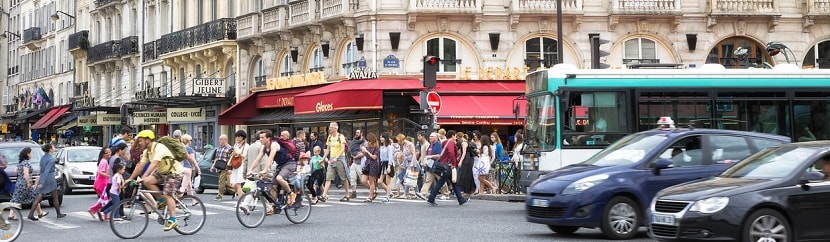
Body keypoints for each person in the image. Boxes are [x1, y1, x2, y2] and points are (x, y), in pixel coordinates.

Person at [127, 130, 184, 231]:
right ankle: (161, 201)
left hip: (174, 172)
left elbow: (154, 163)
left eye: (140, 141)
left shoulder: (159, 148)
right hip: (162, 171)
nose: (139, 143)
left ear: (148, 140)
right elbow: (140, 165)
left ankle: (173, 219)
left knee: (167, 194)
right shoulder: (146, 151)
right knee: (147, 182)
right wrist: (130, 179)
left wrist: (144, 175)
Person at [425, 131, 468, 206]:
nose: (456, 138)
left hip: (444, 164)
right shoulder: (450, 142)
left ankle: (460, 199)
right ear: (452, 135)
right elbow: (451, 153)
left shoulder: (444, 142)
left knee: (453, 182)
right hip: (448, 165)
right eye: (455, 136)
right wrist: (454, 163)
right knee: (441, 183)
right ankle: (431, 198)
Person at [28, 143, 65, 220]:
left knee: (39, 196)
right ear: (50, 149)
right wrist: (42, 182)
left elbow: (42, 170)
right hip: (50, 178)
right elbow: (47, 171)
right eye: (53, 147)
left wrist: (41, 180)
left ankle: (31, 213)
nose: (54, 148)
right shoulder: (51, 159)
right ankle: (58, 213)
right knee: (55, 196)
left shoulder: (42, 158)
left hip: (43, 177)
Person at [9, 147, 43, 220]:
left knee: (16, 199)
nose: (32, 154)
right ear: (28, 154)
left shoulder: (20, 163)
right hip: (24, 184)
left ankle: (11, 215)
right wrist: (28, 183)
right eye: (31, 153)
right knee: (35, 197)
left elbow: (16, 171)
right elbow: (26, 174)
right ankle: (40, 213)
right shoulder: (26, 162)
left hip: (19, 183)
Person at [322, 122, 351, 202]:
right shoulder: (330, 137)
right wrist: (323, 158)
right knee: (328, 177)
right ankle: (324, 195)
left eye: (331, 127)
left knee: (344, 178)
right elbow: (328, 149)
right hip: (332, 159)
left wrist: (337, 157)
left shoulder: (341, 137)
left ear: (335, 128)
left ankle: (347, 194)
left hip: (340, 159)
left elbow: (342, 148)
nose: (329, 129)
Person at [88, 147, 112, 220]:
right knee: (105, 199)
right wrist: (109, 176)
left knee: (104, 199)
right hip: (102, 183)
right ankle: (93, 209)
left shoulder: (104, 161)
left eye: (109, 152)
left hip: (102, 183)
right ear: (103, 154)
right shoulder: (104, 161)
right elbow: (101, 172)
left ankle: (103, 213)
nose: (109, 154)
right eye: (107, 153)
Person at [210, 135, 234, 201]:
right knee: (225, 183)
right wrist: (213, 166)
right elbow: (216, 158)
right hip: (218, 166)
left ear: (225, 140)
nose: (219, 140)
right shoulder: (219, 148)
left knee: (221, 181)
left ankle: (219, 196)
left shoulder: (230, 148)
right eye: (219, 139)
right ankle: (234, 191)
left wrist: (230, 168)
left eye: (220, 139)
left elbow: (232, 159)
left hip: (225, 167)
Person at [360, 133, 381, 202]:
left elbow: (374, 157)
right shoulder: (367, 147)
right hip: (367, 164)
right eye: (367, 141)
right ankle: (374, 191)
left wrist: (367, 152)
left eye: (369, 141)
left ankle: (370, 196)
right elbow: (363, 154)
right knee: (363, 181)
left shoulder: (376, 148)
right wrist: (363, 150)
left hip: (373, 165)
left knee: (372, 182)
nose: (368, 142)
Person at [179, 134, 200, 204]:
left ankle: (193, 200)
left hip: (180, 168)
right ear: (188, 141)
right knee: (184, 186)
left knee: (189, 185)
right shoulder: (189, 149)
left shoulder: (180, 148)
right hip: (188, 169)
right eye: (190, 140)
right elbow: (193, 160)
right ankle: (177, 200)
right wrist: (198, 169)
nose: (191, 141)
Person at [347, 130, 367, 199]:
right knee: (352, 177)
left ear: (361, 133)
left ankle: (373, 190)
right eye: (355, 133)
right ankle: (354, 192)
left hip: (361, 163)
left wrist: (355, 156)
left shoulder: (364, 142)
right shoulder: (354, 141)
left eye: (358, 133)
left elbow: (364, 153)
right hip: (354, 162)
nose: (356, 134)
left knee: (363, 179)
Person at [230, 130, 249, 199]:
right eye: (236, 136)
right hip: (235, 166)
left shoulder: (246, 146)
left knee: (238, 184)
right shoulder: (236, 145)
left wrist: (238, 154)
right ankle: (244, 196)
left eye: (239, 136)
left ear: (243, 137)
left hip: (242, 166)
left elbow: (246, 157)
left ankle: (239, 202)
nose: (237, 138)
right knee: (233, 185)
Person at [378, 133, 395, 202]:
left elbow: (390, 157)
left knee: (388, 181)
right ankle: (390, 193)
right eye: (380, 137)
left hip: (388, 164)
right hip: (383, 164)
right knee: (380, 181)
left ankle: (387, 196)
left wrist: (389, 166)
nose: (381, 139)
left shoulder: (389, 147)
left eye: (382, 137)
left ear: (386, 138)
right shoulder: (381, 147)